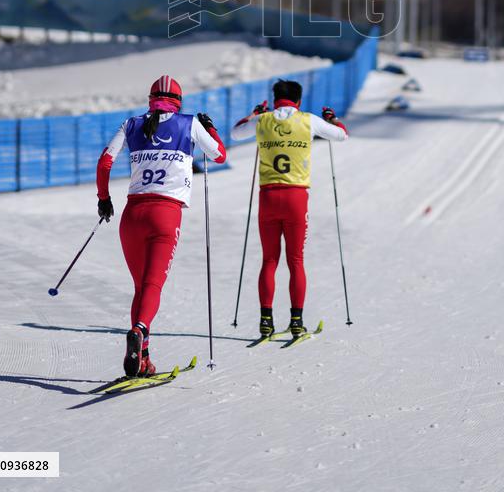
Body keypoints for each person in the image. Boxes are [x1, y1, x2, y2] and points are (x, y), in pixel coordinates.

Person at [96, 75, 226, 377]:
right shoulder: (189, 123)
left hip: (132, 215)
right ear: (178, 101)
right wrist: (210, 129)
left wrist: (104, 199)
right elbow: (219, 155)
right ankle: (139, 331)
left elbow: (105, 162)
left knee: (140, 287)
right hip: (165, 215)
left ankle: (142, 358)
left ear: (151, 99)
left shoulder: (131, 124)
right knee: (152, 286)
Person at [232, 78, 348, 339]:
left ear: (274, 101)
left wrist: (255, 114)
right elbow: (342, 135)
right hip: (296, 198)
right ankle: (296, 321)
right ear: (298, 100)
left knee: (269, 260)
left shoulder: (263, 121)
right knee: (295, 260)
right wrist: (331, 118)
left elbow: (235, 132)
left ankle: (265, 321)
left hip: (269, 197)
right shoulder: (308, 120)